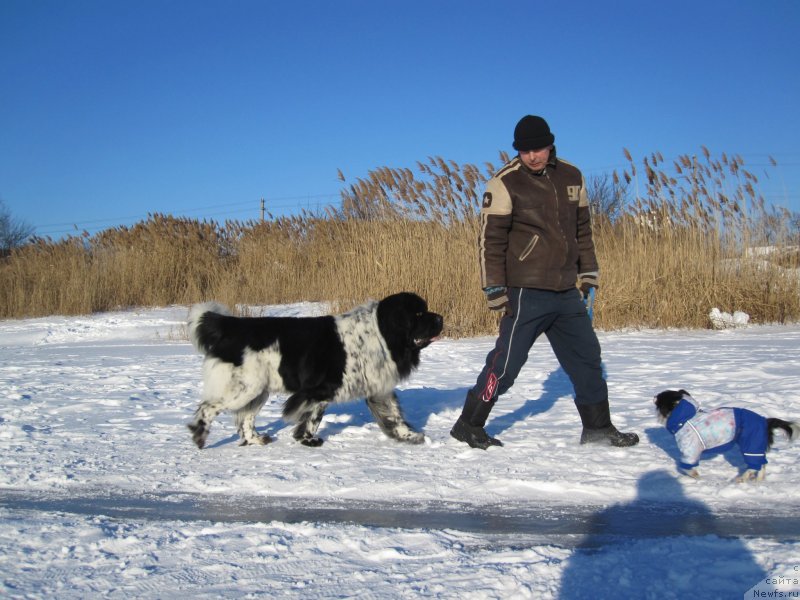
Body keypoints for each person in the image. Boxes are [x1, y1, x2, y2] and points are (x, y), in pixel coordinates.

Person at [450, 115, 639, 450]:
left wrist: (588, 271)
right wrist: (494, 288)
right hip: (525, 291)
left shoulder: (572, 175)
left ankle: (597, 427)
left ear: (550, 144)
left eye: (537, 148)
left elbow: (583, 231)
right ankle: (469, 424)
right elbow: (489, 241)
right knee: (506, 366)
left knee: (588, 359)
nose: (531, 156)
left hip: (566, 292)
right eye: (524, 150)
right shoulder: (504, 182)